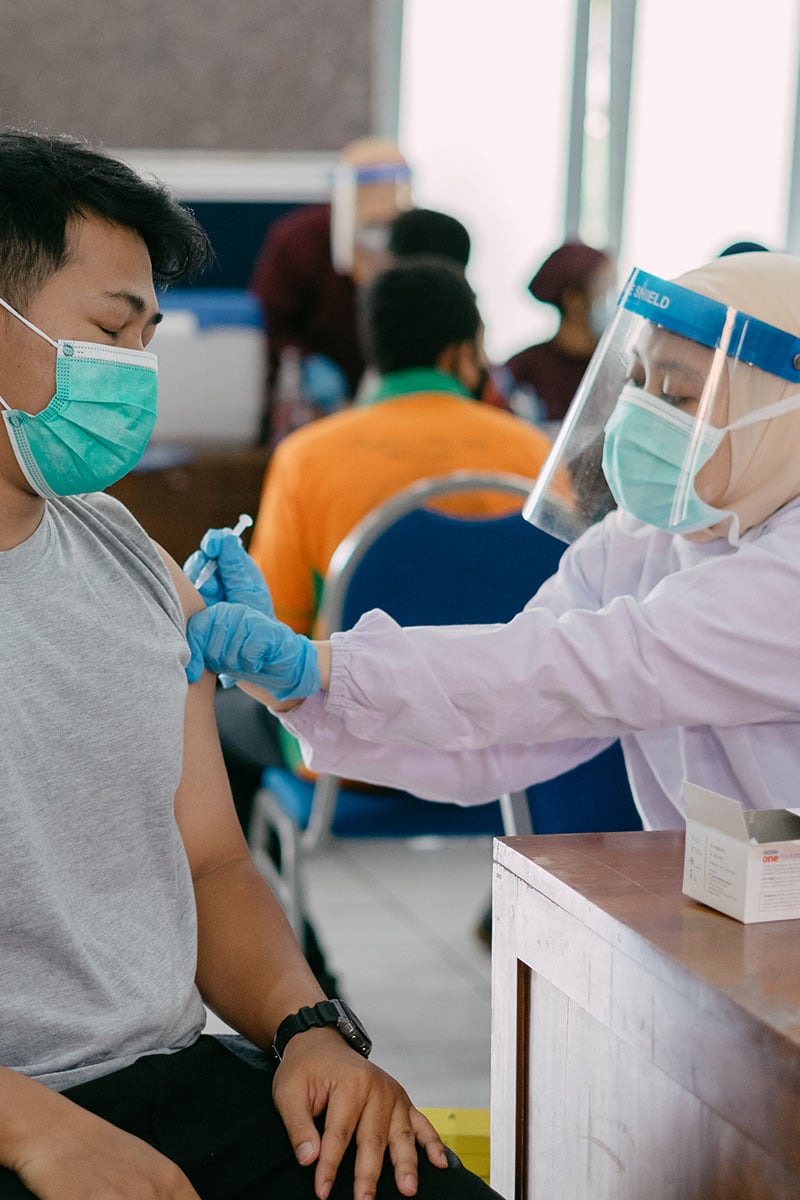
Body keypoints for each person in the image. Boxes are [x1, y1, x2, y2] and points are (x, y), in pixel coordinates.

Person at [0, 127, 500, 1200]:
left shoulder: (126, 554)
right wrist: (37, 1132)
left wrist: (307, 1028)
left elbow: (213, 863)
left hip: (166, 1075)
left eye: (146, 339)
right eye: (108, 332)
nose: (133, 374)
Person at [184, 250, 800, 844]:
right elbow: (508, 730)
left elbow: (579, 666)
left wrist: (322, 665)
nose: (640, 412)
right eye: (637, 381)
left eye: (677, 395)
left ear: (779, 414)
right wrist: (296, 687)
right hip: (719, 889)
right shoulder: (642, 541)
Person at [200, 257, 552, 820]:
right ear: (461, 354)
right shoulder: (536, 455)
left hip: (349, 756)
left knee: (214, 718)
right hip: (507, 747)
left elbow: (274, 629)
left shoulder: (306, 458)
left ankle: (249, 875)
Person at [250, 137, 412, 444]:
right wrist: (304, 363)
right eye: (369, 221)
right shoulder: (299, 240)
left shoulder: (417, 245)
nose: (376, 233)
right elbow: (267, 324)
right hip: (312, 411)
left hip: (395, 409)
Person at [505, 239, 613, 428]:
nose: (612, 300)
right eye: (603, 288)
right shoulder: (523, 368)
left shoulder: (615, 366)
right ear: (573, 300)